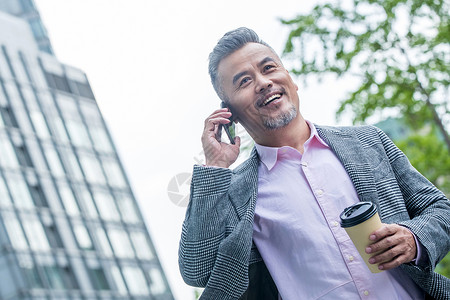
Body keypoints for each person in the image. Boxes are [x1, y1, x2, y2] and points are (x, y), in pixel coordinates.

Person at [178, 27, 450, 300]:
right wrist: (215, 167)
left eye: (269, 68)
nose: (263, 82)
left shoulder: (368, 141)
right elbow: (197, 270)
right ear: (230, 114)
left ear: (291, 80)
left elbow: (440, 209)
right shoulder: (237, 194)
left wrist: (414, 239)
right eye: (244, 81)